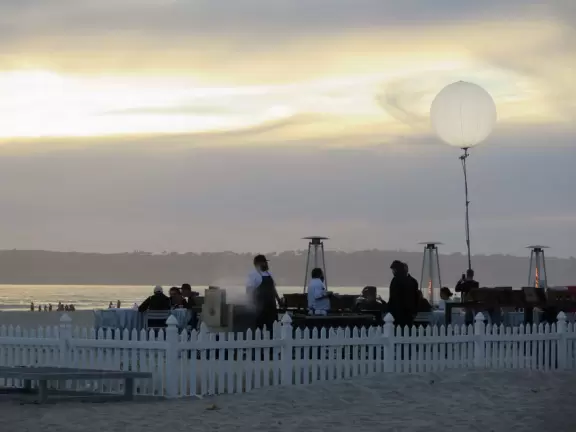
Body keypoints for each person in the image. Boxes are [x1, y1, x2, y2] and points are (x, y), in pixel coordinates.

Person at [246, 254, 282, 331]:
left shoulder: (269, 274)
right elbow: (249, 290)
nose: (266, 264)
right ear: (258, 264)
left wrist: (278, 300)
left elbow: (273, 289)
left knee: (272, 326)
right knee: (259, 327)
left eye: (266, 262)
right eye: (264, 262)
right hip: (260, 307)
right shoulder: (253, 274)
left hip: (271, 306)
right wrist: (250, 303)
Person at [388, 260, 419, 327]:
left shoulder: (395, 280)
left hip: (397, 312)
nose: (393, 272)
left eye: (393, 270)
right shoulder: (413, 281)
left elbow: (393, 297)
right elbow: (416, 297)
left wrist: (389, 308)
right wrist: (415, 311)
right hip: (410, 312)